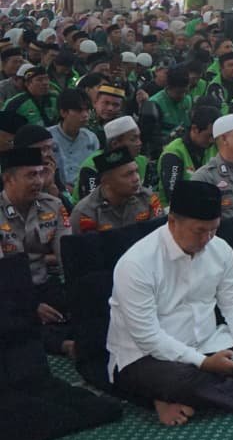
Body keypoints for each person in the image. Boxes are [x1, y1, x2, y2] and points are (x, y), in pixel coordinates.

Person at [106, 180, 233, 427]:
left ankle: (172, 396)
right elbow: (148, 337)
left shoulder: (219, 249)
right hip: (148, 357)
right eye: (199, 231)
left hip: (207, 344)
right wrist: (203, 363)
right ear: (172, 222)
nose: (207, 238)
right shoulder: (136, 264)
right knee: (175, 378)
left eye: (213, 230)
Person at [0, 146, 71, 354]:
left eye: (41, 173)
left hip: (43, 284)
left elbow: (68, 256)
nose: (39, 181)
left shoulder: (53, 206)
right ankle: (60, 344)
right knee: (13, 319)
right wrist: (31, 306)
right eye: (31, 175)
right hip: (7, 292)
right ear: (8, 179)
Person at [69, 147, 163, 234]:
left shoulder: (147, 198)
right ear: (106, 182)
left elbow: (160, 235)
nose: (136, 178)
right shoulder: (86, 213)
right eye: (128, 174)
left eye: (136, 171)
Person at [158, 105, 218, 203]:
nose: (212, 140)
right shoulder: (174, 153)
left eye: (215, 136)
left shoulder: (212, 146)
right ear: (195, 129)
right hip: (175, 209)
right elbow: (173, 195)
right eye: (209, 135)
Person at [47, 89, 99, 193]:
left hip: (86, 191)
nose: (85, 115)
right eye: (79, 111)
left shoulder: (91, 138)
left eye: (87, 110)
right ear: (63, 112)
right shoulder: (48, 137)